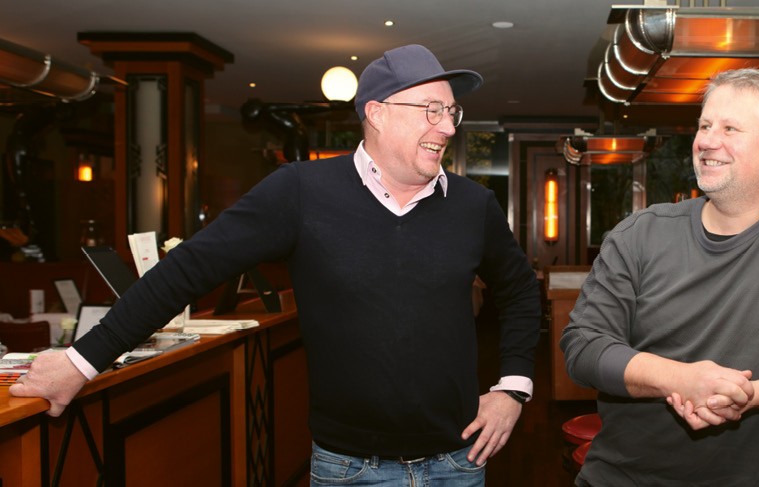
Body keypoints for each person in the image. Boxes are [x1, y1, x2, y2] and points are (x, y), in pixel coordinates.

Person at [10, 44, 542, 486]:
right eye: (432, 109)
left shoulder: (473, 205)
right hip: (351, 470)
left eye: (451, 112)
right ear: (377, 113)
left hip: (458, 462)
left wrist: (512, 388)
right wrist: (82, 361)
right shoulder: (300, 191)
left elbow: (519, 291)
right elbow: (187, 269)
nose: (447, 126)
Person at [559, 68, 759, 486]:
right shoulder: (640, 233)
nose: (707, 141)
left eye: (730, 128)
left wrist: (751, 395)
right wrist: (680, 379)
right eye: (704, 126)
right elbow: (583, 346)